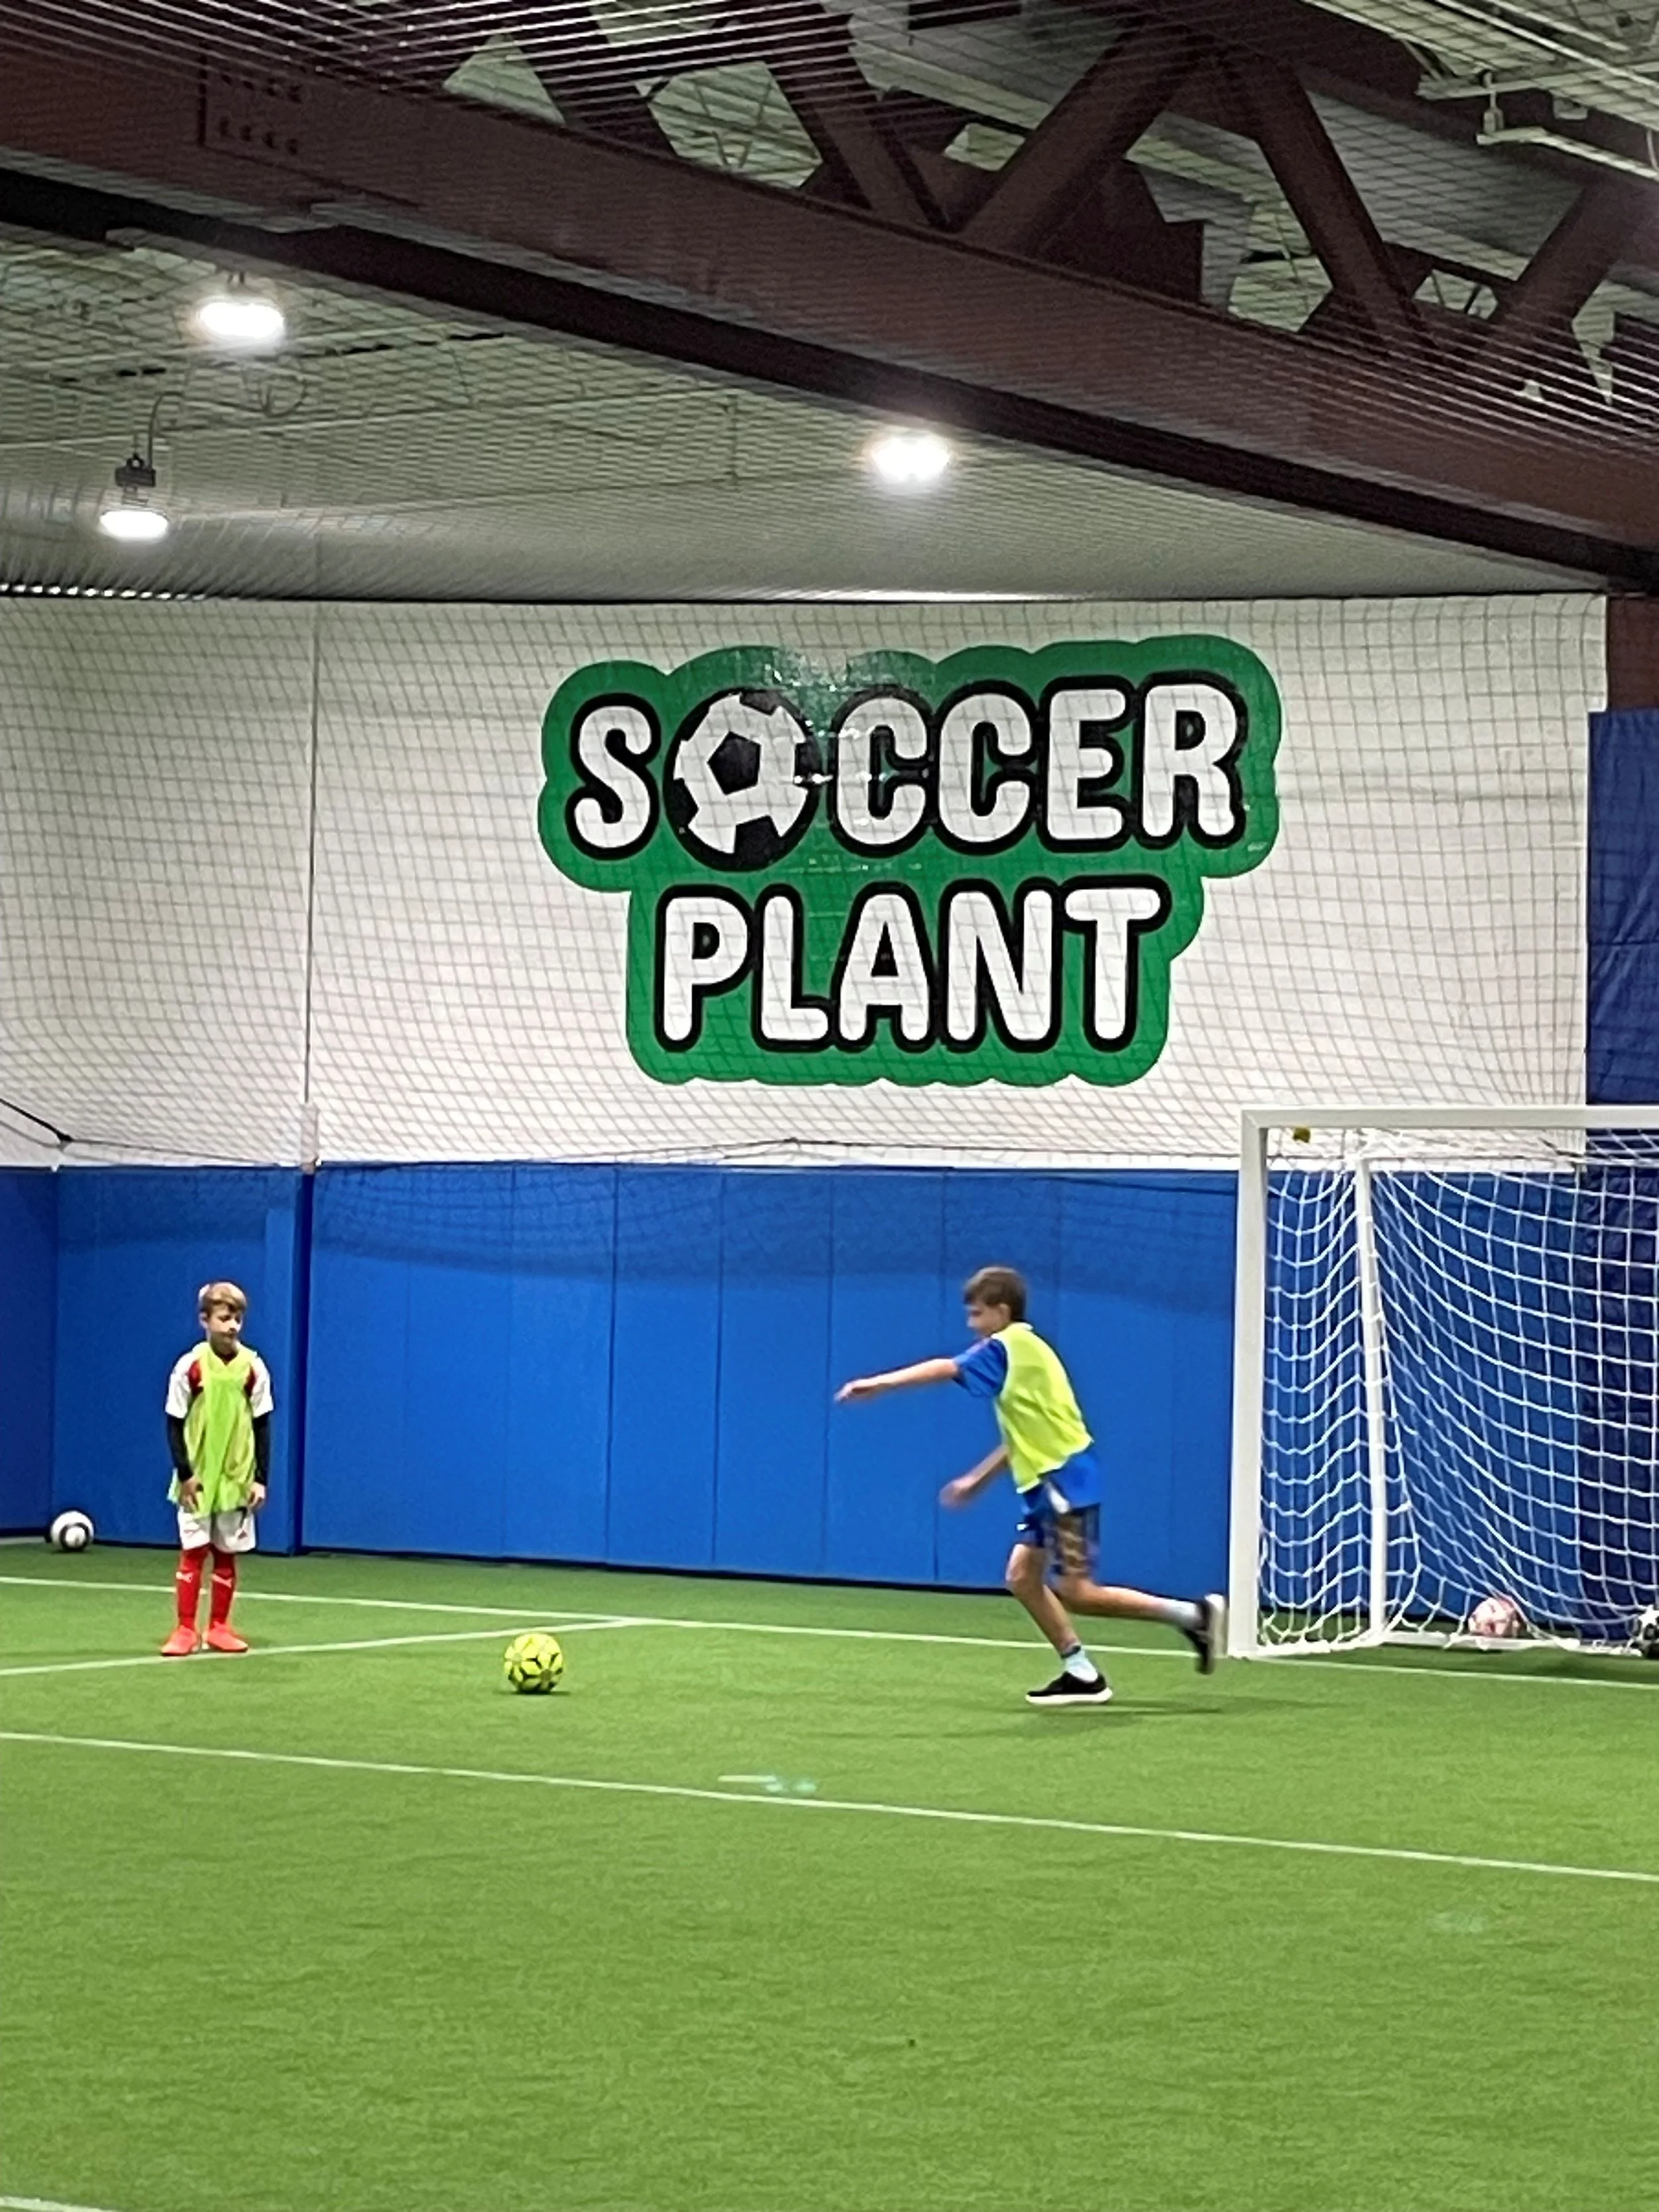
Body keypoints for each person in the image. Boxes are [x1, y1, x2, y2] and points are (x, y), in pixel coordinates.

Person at [835, 1264, 1224, 1706]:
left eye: (977, 1314)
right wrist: (977, 1480)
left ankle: (1194, 1615)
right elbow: (1021, 1435)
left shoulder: (1008, 1345)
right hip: (1048, 1482)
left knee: (1078, 1591)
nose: (971, 1324)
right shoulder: (1025, 1352)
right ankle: (1081, 1672)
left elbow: (946, 1367)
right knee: (1022, 1576)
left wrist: (878, 1384)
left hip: (1065, 1479)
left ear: (1002, 1311)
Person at [161, 1280, 272, 1657]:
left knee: (227, 1553)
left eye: (238, 1318)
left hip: (236, 1479)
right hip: (198, 1479)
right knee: (193, 1551)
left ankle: (220, 1627)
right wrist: (185, 1473)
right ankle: (185, 1629)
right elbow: (174, 1421)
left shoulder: (254, 1368)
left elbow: (262, 1424)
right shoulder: (189, 1367)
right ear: (205, 1320)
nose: (233, 1326)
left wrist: (260, 1479)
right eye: (225, 1318)